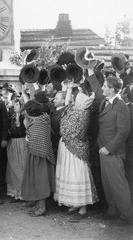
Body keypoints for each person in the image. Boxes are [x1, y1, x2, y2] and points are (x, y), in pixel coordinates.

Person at [54, 90, 99, 220]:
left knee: (78, 176)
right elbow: (67, 105)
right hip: (67, 148)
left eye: (77, 99)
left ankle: (83, 208)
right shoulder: (73, 110)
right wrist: (69, 88)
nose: (74, 101)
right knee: (68, 174)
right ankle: (73, 203)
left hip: (76, 151)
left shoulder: (83, 113)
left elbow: (75, 132)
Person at [98, 76, 133, 225]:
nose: (102, 88)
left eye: (105, 86)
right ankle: (112, 211)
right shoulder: (105, 102)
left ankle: (127, 215)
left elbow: (123, 131)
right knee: (108, 184)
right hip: (104, 149)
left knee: (119, 185)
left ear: (112, 89)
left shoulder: (121, 106)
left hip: (113, 151)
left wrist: (109, 147)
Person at [21, 100, 55, 216]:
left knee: (39, 181)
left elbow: (31, 139)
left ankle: (41, 208)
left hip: (37, 155)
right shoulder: (45, 118)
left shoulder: (35, 123)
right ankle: (38, 204)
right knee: (40, 180)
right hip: (44, 154)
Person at [5, 99, 27, 202]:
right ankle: (14, 193)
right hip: (13, 143)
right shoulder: (11, 118)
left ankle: (22, 193)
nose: (15, 106)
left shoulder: (25, 117)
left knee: (22, 168)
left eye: (17, 104)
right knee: (13, 168)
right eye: (14, 104)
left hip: (22, 143)